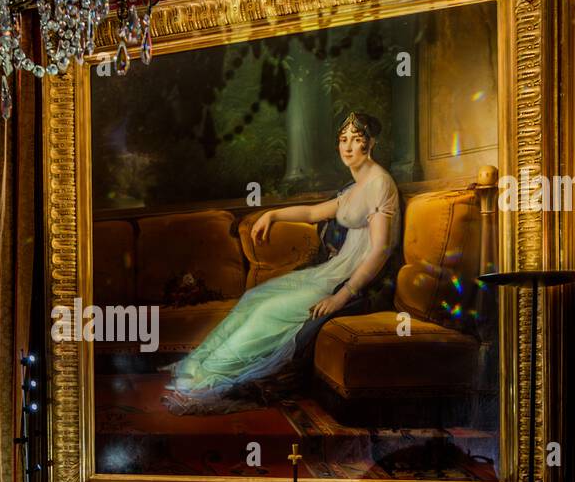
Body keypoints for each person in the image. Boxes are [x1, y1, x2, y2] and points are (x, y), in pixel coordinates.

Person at [163, 111, 400, 413]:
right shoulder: (355, 188)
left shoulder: (380, 183)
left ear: (372, 143)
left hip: (355, 284)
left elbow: (380, 250)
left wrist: (341, 297)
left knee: (268, 311)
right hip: (331, 273)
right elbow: (314, 213)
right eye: (343, 140)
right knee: (254, 298)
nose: (348, 147)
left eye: (357, 140)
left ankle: (209, 379)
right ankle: (199, 368)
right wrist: (272, 214)